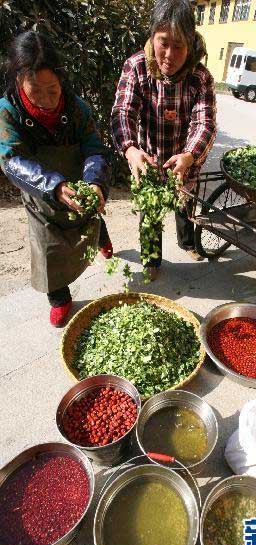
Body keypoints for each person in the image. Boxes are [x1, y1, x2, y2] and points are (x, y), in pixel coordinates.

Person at [0, 31, 113, 327]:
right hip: (40, 192)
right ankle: (59, 298)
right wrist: (53, 186)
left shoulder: (77, 108)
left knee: (91, 215)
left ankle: (102, 237)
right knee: (47, 248)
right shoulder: (7, 113)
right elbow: (11, 159)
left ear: (61, 80)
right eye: (35, 91)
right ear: (18, 81)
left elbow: (94, 148)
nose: (47, 101)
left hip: (79, 184)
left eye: (53, 90)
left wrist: (95, 182)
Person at [111, 0, 217, 281]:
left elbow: (204, 122)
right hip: (148, 158)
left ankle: (188, 242)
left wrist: (189, 156)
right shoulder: (136, 67)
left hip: (184, 160)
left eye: (179, 46)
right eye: (163, 43)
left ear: (191, 42)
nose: (169, 55)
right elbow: (123, 112)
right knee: (151, 212)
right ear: (152, 37)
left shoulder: (200, 77)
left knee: (185, 203)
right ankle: (151, 258)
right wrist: (130, 149)